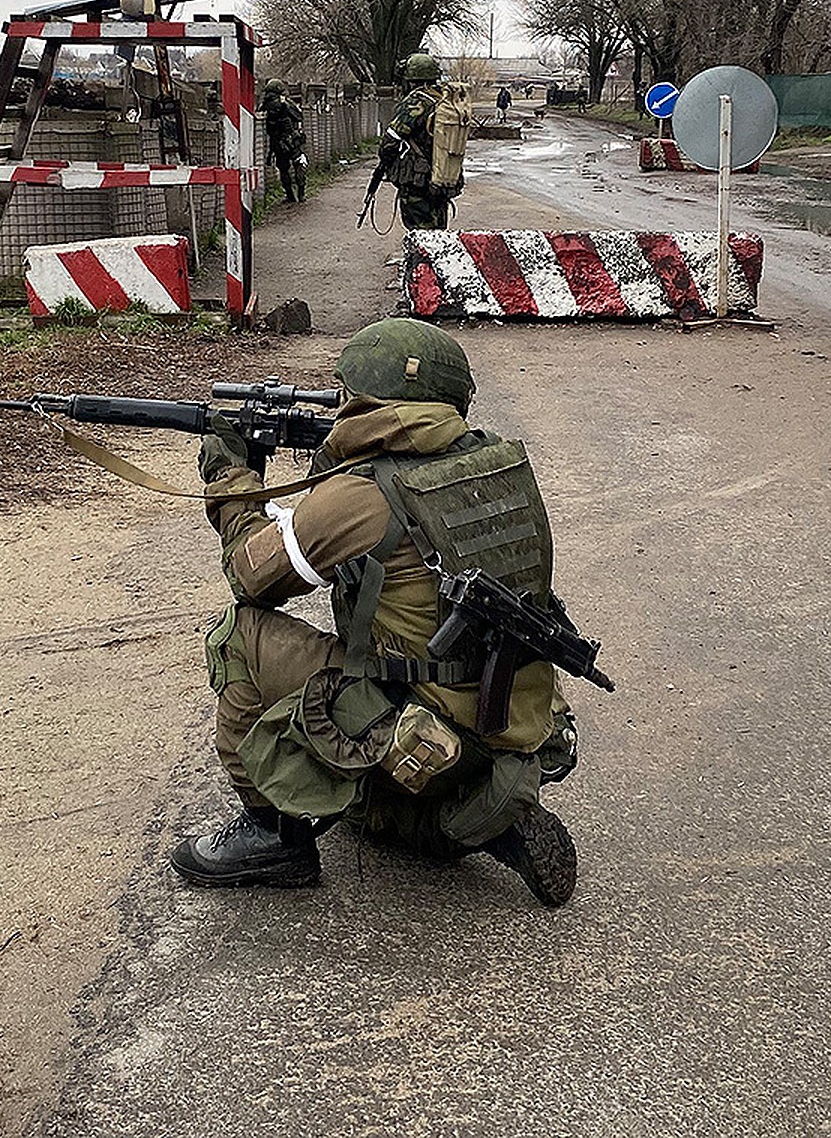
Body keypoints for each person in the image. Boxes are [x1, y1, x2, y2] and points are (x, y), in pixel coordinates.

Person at [169, 320, 583, 907]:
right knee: (389, 777)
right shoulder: (498, 464)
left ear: (369, 400)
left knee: (239, 636)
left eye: (345, 395)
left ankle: (272, 835)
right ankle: (489, 817)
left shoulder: (365, 494)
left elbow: (252, 574)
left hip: (420, 727)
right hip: (508, 723)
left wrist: (231, 475)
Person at [377, 53, 464, 230]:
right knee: (438, 232)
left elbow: (390, 141)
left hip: (417, 181)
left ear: (410, 78)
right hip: (442, 178)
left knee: (420, 234)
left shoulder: (415, 102)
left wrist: (386, 163)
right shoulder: (444, 100)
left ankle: (421, 258)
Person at [260, 78, 307, 203]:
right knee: (299, 164)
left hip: (277, 141)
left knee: (283, 169)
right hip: (290, 138)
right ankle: (301, 194)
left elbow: (261, 115)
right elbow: (299, 115)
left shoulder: (266, 103)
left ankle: (290, 196)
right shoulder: (285, 102)